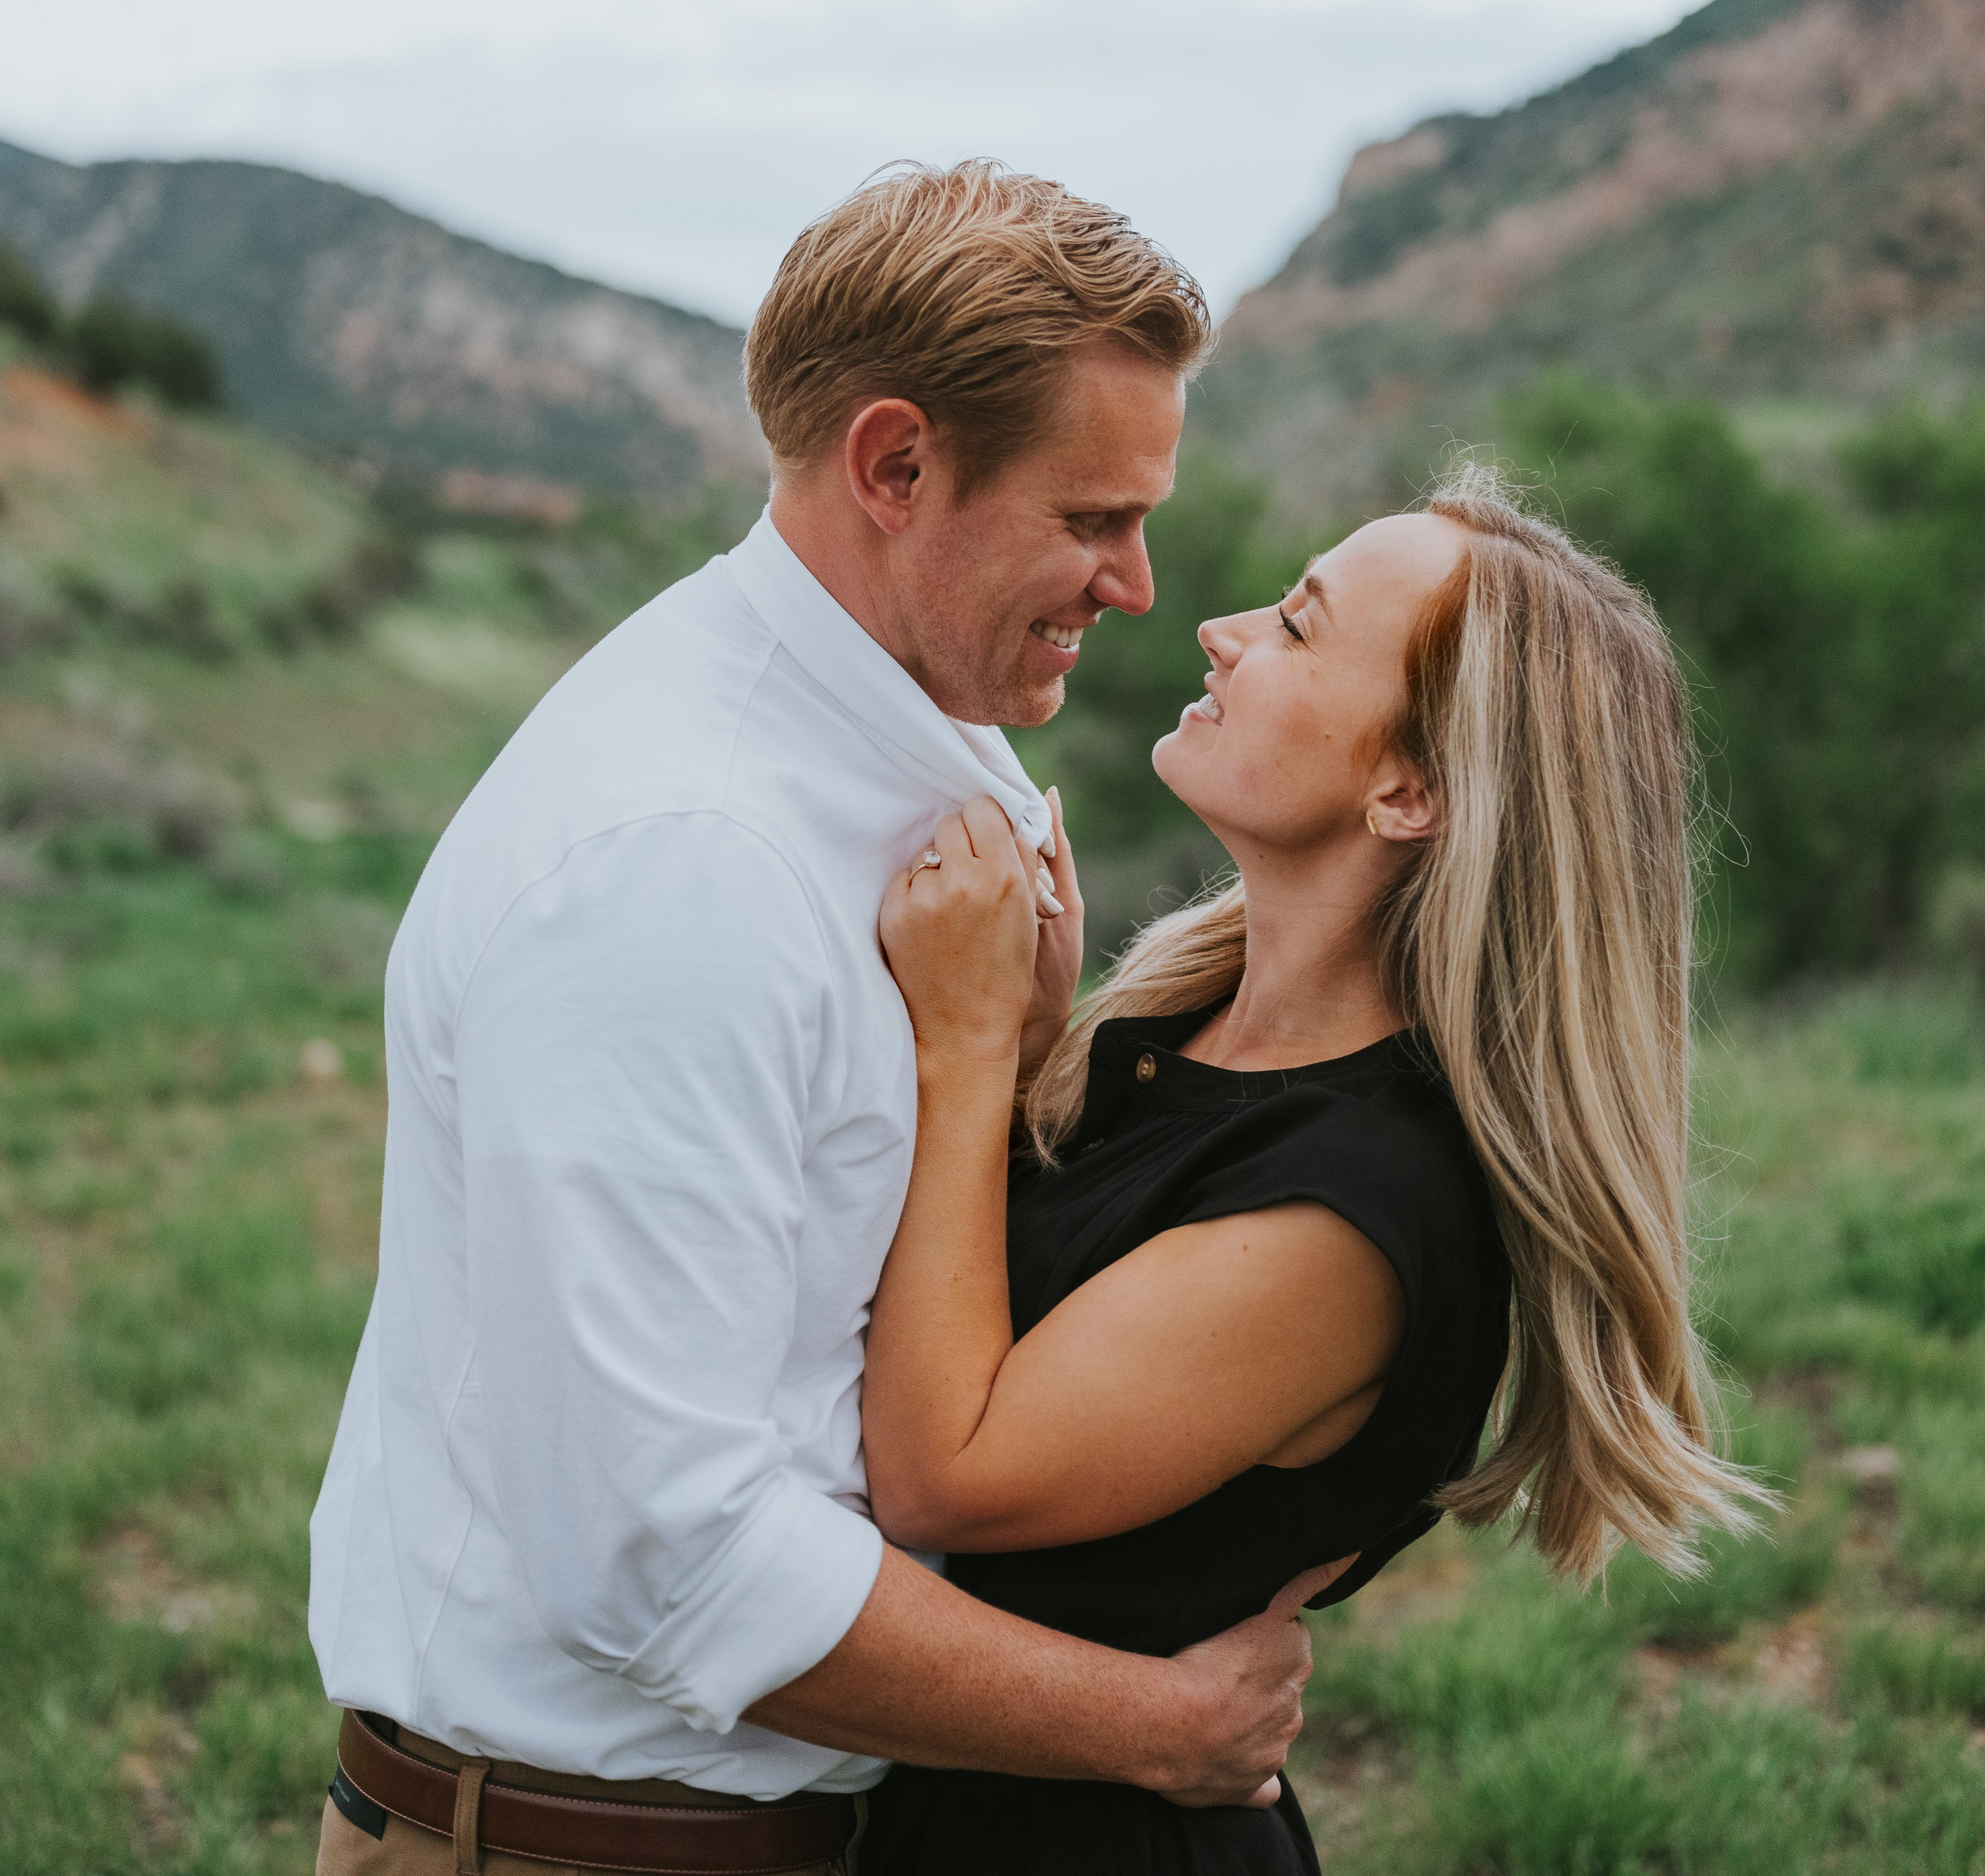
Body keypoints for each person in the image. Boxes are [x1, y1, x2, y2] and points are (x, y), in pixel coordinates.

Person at [309, 163, 1339, 1876]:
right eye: (1092, 520)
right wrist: (1157, 1730)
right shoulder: (680, 869)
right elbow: (661, 1559)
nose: (1137, 585)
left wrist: (1007, 1059)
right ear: (895, 467)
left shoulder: (913, 762)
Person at [854, 472, 1766, 1874]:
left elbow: (945, 1475)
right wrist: (1037, 1039)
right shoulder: (1182, 1031)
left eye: (1296, 621)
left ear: (1411, 789)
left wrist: (968, 1047)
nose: (1219, 628)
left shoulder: (1350, 1207)